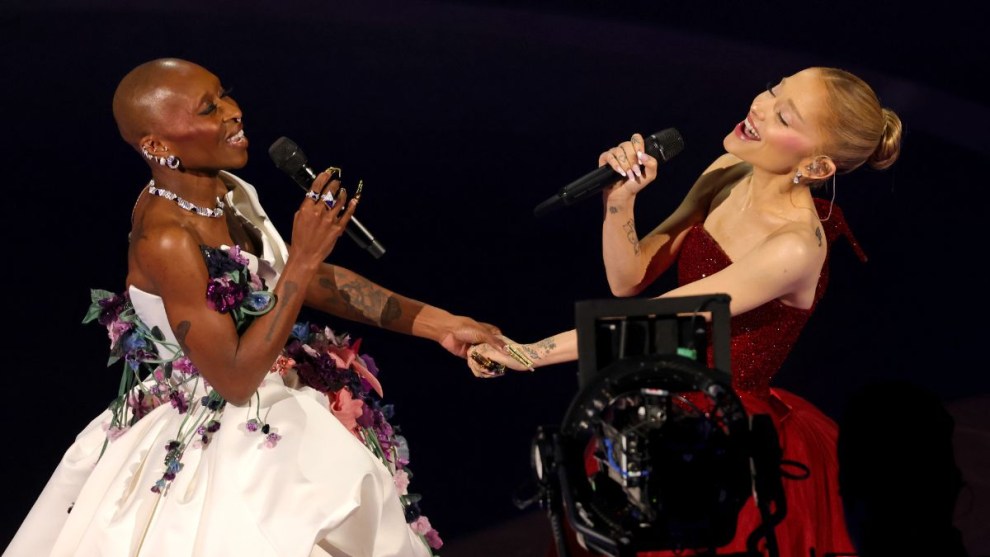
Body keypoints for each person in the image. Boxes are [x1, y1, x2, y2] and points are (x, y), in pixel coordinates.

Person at [5, 57, 507, 557]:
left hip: (279, 398)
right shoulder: (165, 239)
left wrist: (442, 324)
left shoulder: (226, 191)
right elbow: (235, 377)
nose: (233, 112)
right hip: (226, 436)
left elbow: (288, 275)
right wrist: (306, 256)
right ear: (156, 145)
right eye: (208, 108)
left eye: (224, 94)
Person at [467, 67, 902, 556]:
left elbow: (660, 319)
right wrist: (620, 200)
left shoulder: (795, 247)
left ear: (819, 167)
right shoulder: (728, 170)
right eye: (774, 88)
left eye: (783, 114)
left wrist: (529, 354)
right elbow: (628, 278)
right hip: (661, 407)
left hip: (722, 440)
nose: (759, 104)